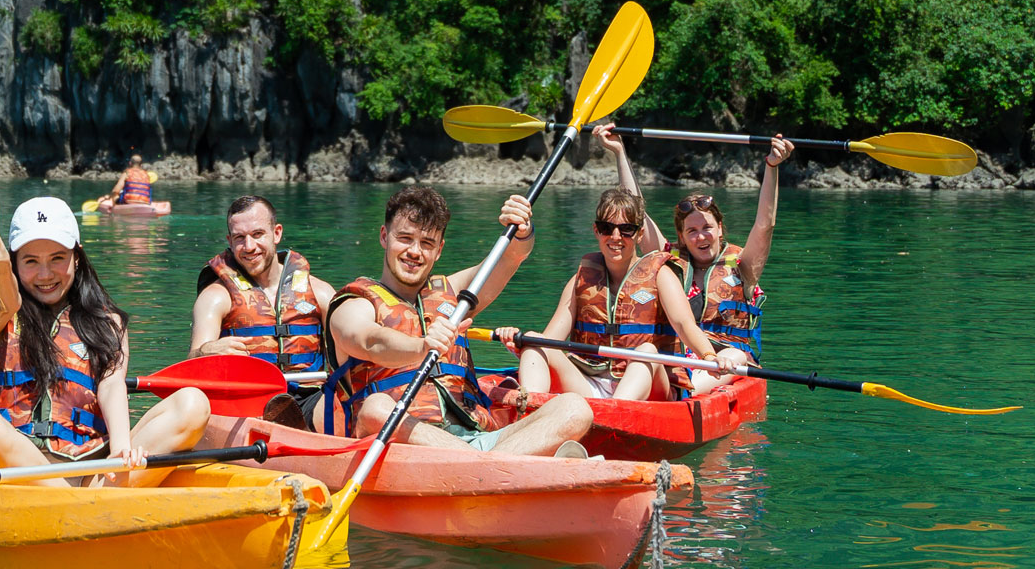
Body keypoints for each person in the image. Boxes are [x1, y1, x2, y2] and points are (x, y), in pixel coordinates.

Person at [314, 186, 595, 455]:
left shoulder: (453, 295)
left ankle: (485, 467)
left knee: (574, 408)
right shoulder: (355, 303)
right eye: (405, 238)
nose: (415, 251)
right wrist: (422, 346)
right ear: (384, 236)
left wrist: (522, 232)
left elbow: (511, 257)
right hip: (398, 441)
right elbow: (368, 340)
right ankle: (497, 466)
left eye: (427, 243)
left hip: (473, 438)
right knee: (376, 407)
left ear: (439, 250)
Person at [0, 196, 210, 487]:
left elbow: (112, 385)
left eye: (57, 258)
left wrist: (120, 449)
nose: (45, 274)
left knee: (192, 403)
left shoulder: (109, 322)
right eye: (30, 261)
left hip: (92, 472)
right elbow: (7, 301)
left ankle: (98, 497)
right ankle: (80, 506)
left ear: (76, 257)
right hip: (19, 475)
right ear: (14, 264)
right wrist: (1, 268)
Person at [594, 123, 793, 393]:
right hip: (678, 357)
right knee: (643, 350)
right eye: (692, 231)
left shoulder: (743, 266)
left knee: (734, 356)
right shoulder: (670, 261)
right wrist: (619, 153)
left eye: (707, 228)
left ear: (720, 229)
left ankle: (686, 392)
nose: (701, 237)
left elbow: (765, 225)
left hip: (725, 362)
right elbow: (635, 212)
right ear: (682, 236)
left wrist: (772, 167)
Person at [497, 188, 722, 403]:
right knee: (537, 342)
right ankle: (528, 409)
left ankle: (616, 413)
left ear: (639, 233)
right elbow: (551, 339)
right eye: (607, 228)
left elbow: (684, 325)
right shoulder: (581, 278)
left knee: (646, 352)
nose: (616, 237)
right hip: (590, 382)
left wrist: (709, 356)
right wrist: (521, 343)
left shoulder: (661, 274)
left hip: (649, 384)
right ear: (597, 231)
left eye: (626, 230)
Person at [189, 196, 337, 418]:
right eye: (240, 238)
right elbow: (191, 364)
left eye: (258, 235)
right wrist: (205, 352)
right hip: (245, 403)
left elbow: (348, 361)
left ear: (276, 233)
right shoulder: (216, 297)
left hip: (309, 402)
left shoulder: (321, 293)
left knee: (345, 406)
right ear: (229, 240)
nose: (249, 247)